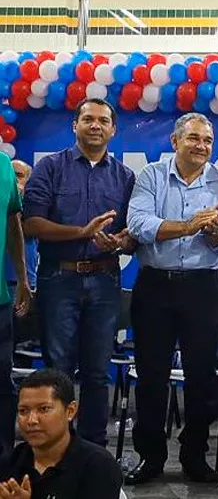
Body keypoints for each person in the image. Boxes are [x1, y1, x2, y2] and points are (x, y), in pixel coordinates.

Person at [124, 113, 218, 485]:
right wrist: (188, 226)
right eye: (194, 139)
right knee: (151, 375)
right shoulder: (151, 176)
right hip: (155, 285)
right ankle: (149, 456)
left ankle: (194, 455)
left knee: (202, 376)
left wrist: (215, 232)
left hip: (203, 286)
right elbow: (139, 225)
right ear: (175, 141)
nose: (201, 146)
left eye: (207, 140)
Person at [22, 98, 136, 448]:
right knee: (58, 370)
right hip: (59, 279)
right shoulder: (51, 168)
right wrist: (81, 233)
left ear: (113, 130)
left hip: (104, 280)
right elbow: (30, 225)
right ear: (75, 125)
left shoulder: (125, 176)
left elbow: (134, 235)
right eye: (88, 119)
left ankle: (93, 451)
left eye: (103, 120)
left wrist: (119, 242)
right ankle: (57, 448)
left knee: (98, 372)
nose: (95, 125)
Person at [0, 369, 122, 499]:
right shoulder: (9, 463)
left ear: (70, 411)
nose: (31, 420)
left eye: (44, 409)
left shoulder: (99, 467)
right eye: (23, 411)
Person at [0, 153, 31, 457]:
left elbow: (13, 225)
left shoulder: (3, 167)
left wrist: (22, 277)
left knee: (1, 382)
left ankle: (3, 458)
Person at [5, 160, 37, 296]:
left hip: (24, 283)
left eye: (18, 175)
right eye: (9, 174)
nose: (13, 179)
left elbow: (29, 228)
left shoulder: (34, 206)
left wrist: (15, 199)